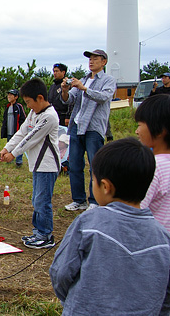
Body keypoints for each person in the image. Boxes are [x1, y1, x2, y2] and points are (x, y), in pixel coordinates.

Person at [49, 138, 170, 315]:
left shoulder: (88, 223)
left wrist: (72, 302)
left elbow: (61, 273)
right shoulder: (163, 238)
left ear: (105, 186)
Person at [0, 79, 60, 248]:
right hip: (37, 165)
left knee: (42, 201)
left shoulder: (49, 116)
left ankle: (46, 235)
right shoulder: (35, 113)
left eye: (28, 102)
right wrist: (7, 148)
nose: (28, 107)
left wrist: (14, 154)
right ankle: (38, 232)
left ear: (40, 98)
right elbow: (22, 131)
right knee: (36, 199)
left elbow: (31, 139)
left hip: (47, 166)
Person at [61, 49, 116, 211]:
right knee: (75, 164)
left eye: (95, 59)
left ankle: (95, 201)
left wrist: (84, 88)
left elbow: (103, 97)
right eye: (90, 59)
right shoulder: (83, 79)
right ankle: (78, 200)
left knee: (95, 165)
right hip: (76, 125)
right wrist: (65, 90)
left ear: (104, 62)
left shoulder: (108, 80)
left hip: (94, 127)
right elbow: (68, 99)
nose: (91, 62)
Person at [135, 94, 170, 232]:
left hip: (154, 241)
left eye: (139, 125)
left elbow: (136, 209)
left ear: (160, 131)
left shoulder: (153, 167)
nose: (137, 131)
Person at [0, 89, 26, 167]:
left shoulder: (19, 107)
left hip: (16, 131)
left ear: (16, 97)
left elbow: (23, 118)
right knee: (9, 144)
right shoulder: (7, 107)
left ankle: (19, 161)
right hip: (9, 130)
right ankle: (9, 159)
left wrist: (20, 129)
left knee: (18, 145)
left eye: (11, 95)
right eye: (8, 95)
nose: (9, 96)